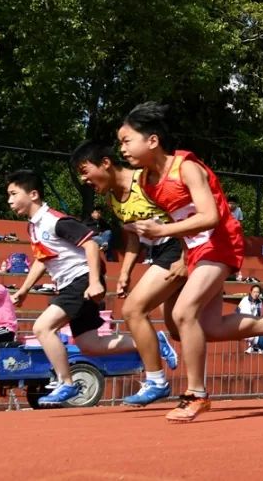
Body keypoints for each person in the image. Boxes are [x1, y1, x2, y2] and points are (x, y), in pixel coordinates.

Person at [118, 102, 263, 422]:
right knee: (207, 327)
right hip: (195, 251)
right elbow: (183, 220)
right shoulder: (149, 183)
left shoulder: (186, 167)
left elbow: (209, 217)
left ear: (152, 140)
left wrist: (162, 230)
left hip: (220, 243)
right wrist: (181, 254)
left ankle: (197, 394)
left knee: (183, 312)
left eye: (126, 141)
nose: (122, 148)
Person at [6, 170, 145, 407]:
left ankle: (66, 383)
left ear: (33, 194)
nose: (9, 201)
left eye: (13, 194)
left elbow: (91, 245)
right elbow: (43, 259)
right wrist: (25, 290)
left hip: (80, 280)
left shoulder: (53, 220)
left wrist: (94, 281)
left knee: (43, 327)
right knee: (91, 344)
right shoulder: (34, 227)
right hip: (71, 284)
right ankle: (153, 341)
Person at [71, 141, 187, 406]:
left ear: (106, 163)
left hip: (181, 247)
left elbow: (182, 216)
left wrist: (185, 256)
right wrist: (125, 273)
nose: (83, 178)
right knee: (182, 328)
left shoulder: (145, 180)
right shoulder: (114, 199)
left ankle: (156, 381)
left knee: (133, 310)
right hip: (161, 253)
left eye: (85, 170)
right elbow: (134, 238)